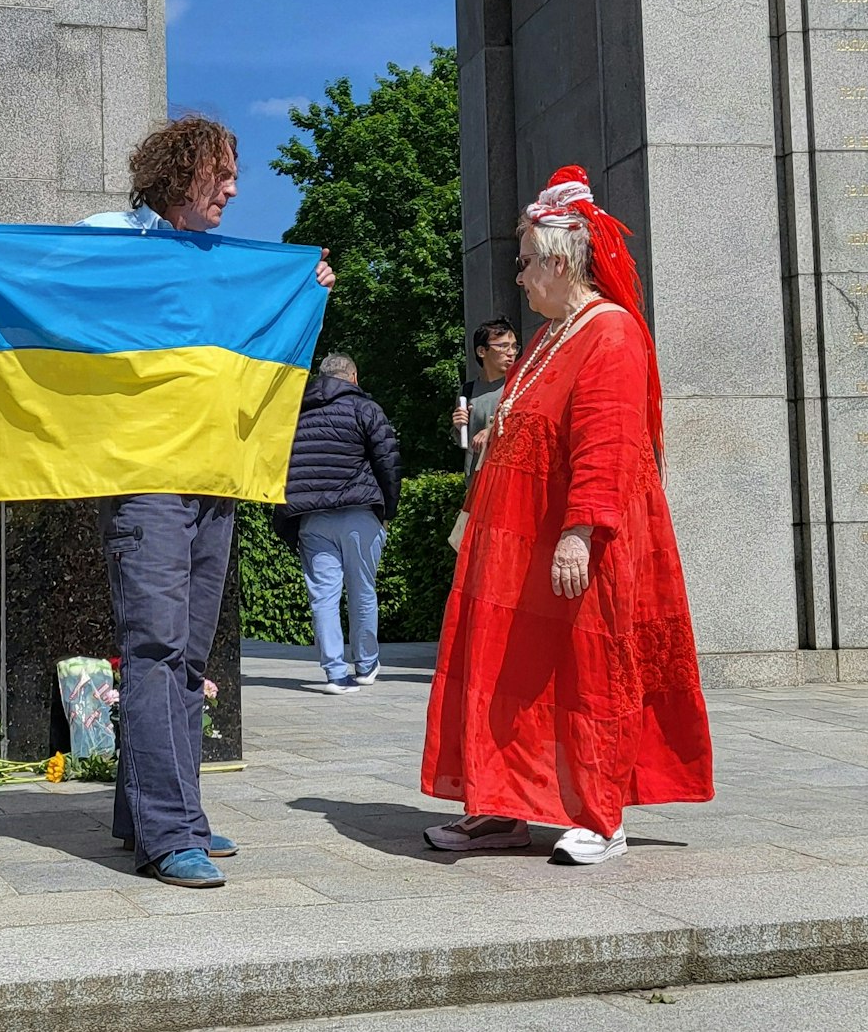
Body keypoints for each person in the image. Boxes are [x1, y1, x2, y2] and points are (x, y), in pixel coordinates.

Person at [0, 115, 335, 890]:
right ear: (179, 172)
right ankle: (169, 834)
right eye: (221, 173)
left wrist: (305, 290)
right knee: (158, 646)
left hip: (211, 477)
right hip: (145, 484)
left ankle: (158, 811)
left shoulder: (223, 265)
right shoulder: (109, 240)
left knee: (188, 655)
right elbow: (31, 287)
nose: (234, 189)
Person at [420, 165, 713, 866]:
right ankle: (504, 805)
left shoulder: (608, 331)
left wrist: (580, 531)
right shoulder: (555, 333)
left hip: (577, 540)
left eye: (523, 262)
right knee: (512, 675)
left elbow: (607, 442)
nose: (518, 277)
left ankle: (601, 813)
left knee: (590, 669)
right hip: (521, 544)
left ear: (557, 258)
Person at [273, 351, 401, 696]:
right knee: (362, 591)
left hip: (312, 518)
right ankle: (365, 664)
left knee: (323, 597)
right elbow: (387, 462)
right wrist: (387, 509)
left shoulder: (296, 413)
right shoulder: (365, 409)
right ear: (354, 377)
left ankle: (334, 673)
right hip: (359, 513)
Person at [452, 318, 518, 481]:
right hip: (476, 484)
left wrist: (492, 431)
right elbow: (465, 444)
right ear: (482, 351)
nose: (511, 353)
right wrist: (460, 428)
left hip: (509, 481)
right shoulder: (467, 392)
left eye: (514, 347)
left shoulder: (520, 386)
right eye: (503, 346)